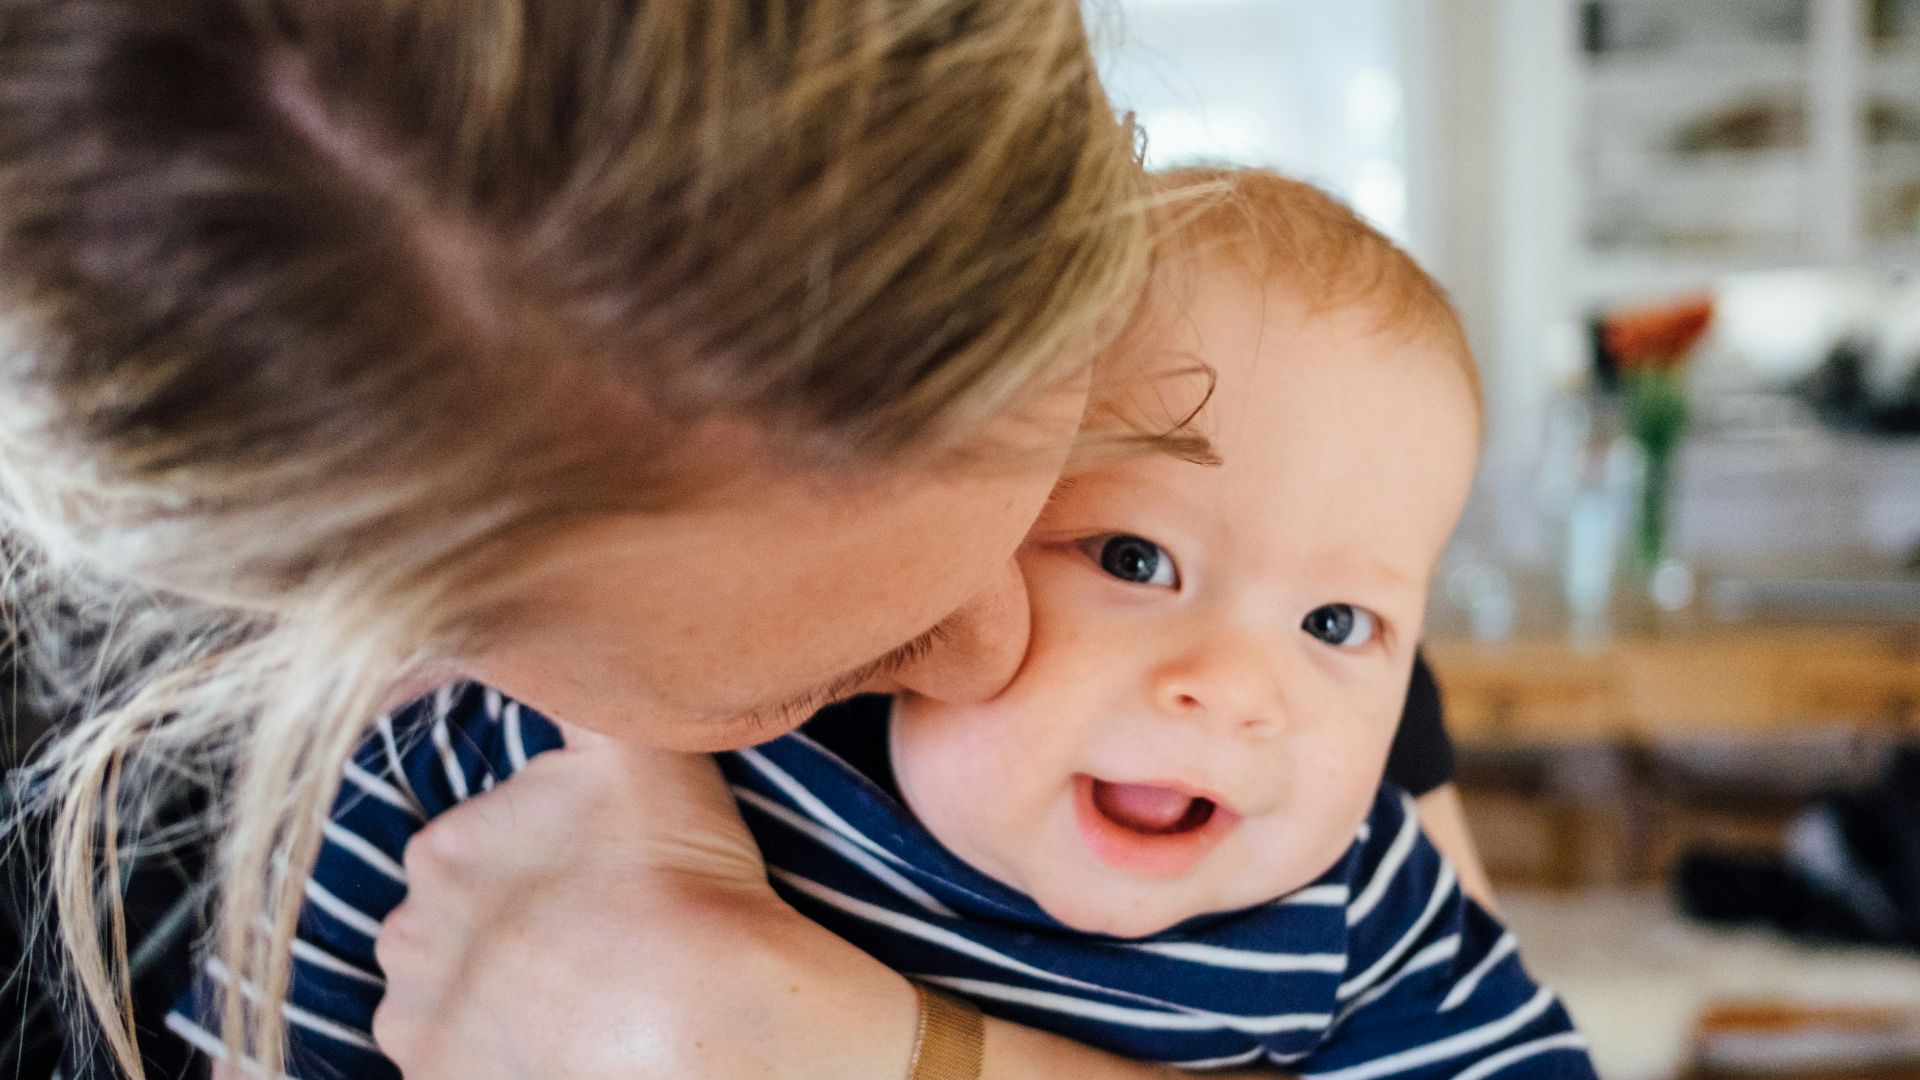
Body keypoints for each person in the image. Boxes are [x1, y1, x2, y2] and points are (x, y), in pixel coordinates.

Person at [0, 4, 1487, 1079]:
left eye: (1070, 498)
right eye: (842, 658)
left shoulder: (1253, 543)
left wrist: (877, 1056)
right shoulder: (424, 788)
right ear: (378, 632)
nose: (993, 648)